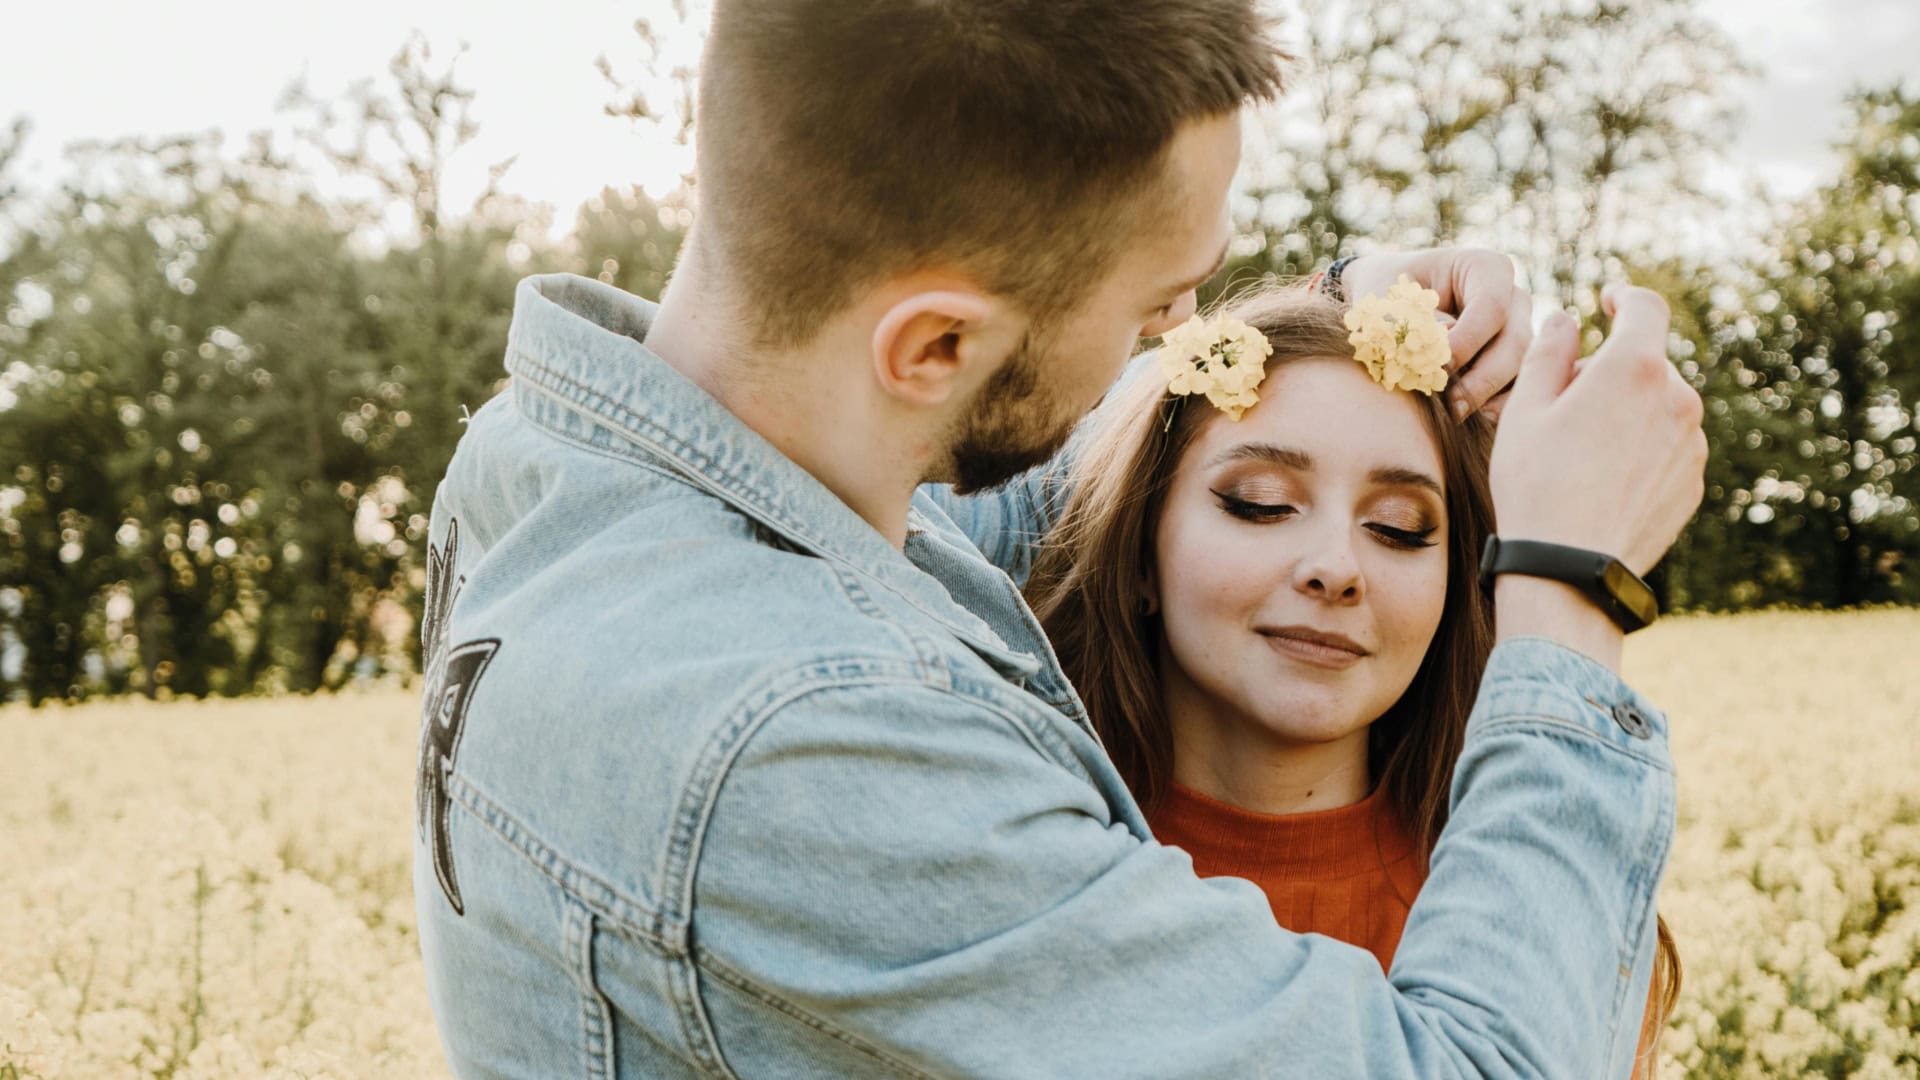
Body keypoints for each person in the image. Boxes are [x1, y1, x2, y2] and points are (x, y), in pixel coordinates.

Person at [411, 1, 1708, 1076]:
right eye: (1155, 301)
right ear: (936, 348)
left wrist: (1332, 314)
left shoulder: (543, 461)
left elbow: (1062, 499)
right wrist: (1566, 586)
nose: (1176, 333)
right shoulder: (809, 740)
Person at [1023, 286, 1680, 1078]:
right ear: (1139, 556)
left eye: (1400, 527)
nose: (1336, 568)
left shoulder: (1541, 901)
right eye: (1260, 505)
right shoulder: (1012, 856)